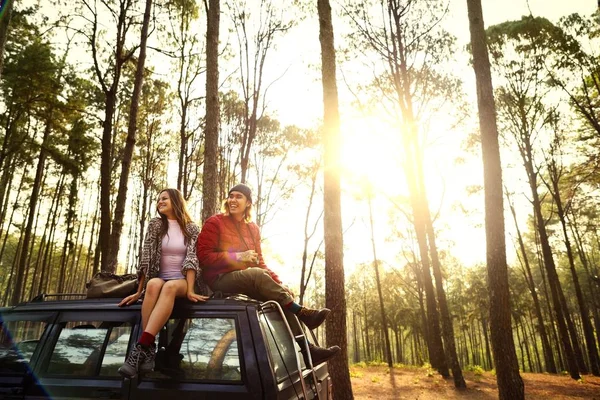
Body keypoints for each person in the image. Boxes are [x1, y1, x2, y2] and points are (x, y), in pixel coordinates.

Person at [196, 183, 340, 365]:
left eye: (238, 196)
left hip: (248, 278)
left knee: (281, 298)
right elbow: (203, 256)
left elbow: (260, 262)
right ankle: (302, 312)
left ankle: (308, 350)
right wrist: (238, 256)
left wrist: (279, 284)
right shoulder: (215, 222)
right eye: (230, 196)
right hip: (220, 279)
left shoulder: (252, 228)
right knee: (256, 274)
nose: (232, 200)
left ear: (248, 202)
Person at [117, 188, 209, 378]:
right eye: (158, 199)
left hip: (183, 280)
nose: (160, 202)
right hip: (160, 277)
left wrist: (190, 290)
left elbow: (192, 259)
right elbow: (146, 259)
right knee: (154, 285)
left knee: (170, 286)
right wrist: (138, 291)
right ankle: (148, 348)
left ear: (176, 201)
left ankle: (140, 347)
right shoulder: (156, 225)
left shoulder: (191, 228)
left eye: (164, 198)